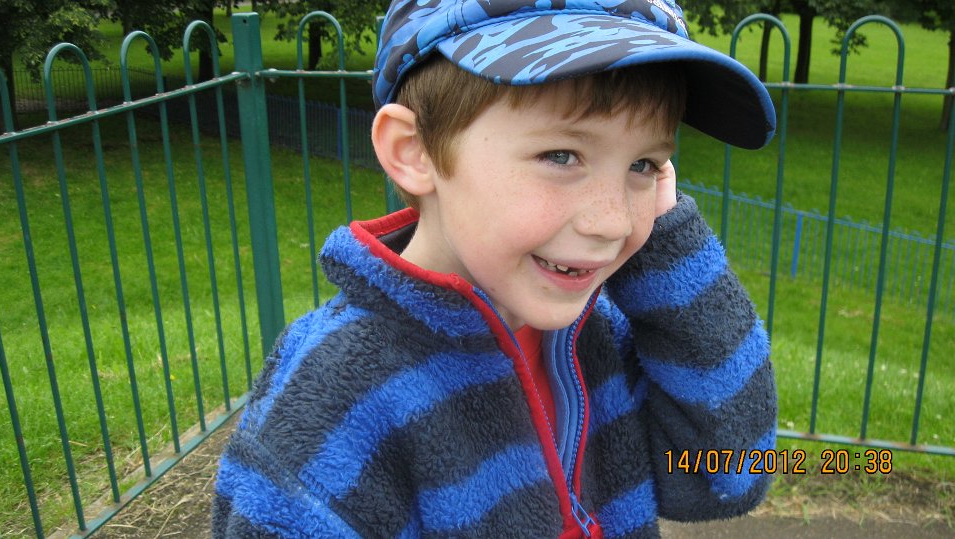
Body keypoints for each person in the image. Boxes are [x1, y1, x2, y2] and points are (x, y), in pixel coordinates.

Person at [211, 0, 778, 537]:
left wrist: (664, 240)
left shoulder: (596, 335)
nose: (612, 222)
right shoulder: (333, 410)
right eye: (561, 156)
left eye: (644, 164)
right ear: (414, 151)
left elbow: (728, 475)